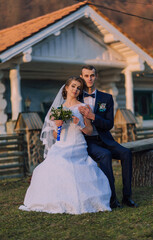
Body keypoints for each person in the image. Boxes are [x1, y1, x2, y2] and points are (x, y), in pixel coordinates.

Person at [19, 76, 111, 214]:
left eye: (78, 88)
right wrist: (57, 126)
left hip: (77, 144)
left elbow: (90, 131)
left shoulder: (84, 107)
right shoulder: (57, 109)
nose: (75, 90)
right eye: (73, 86)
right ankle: (56, 199)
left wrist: (79, 123)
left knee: (67, 164)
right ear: (67, 88)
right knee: (49, 165)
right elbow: (56, 135)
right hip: (61, 145)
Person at [78, 65, 138, 209]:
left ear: (96, 76)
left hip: (105, 138)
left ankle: (127, 197)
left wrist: (93, 116)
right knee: (105, 155)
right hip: (88, 141)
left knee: (126, 153)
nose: (89, 78)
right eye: (86, 76)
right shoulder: (76, 97)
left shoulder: (106, 98)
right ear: (82, 77)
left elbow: (109, 124)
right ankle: (111, 199)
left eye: (92, 75)